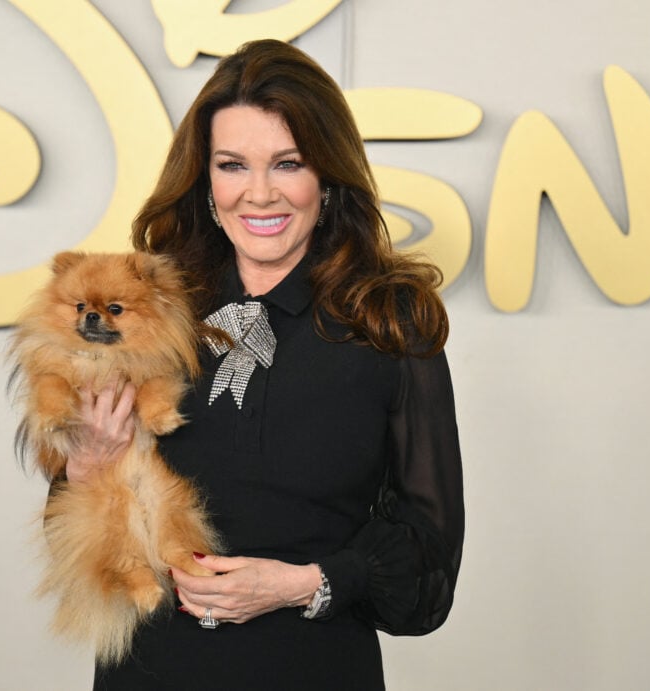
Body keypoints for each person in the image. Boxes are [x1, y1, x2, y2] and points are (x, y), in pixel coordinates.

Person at [64, 39, 464, 690]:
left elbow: (429, 568)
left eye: (287, 163)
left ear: (327, 176)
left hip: (314, 671)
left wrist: (302, 584)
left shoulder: (394, 321)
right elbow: (81, 538)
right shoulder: (146, 308)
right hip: (151, 670)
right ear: (204, 178)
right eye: (232, 165)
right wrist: (86, 464)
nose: (258, 194)